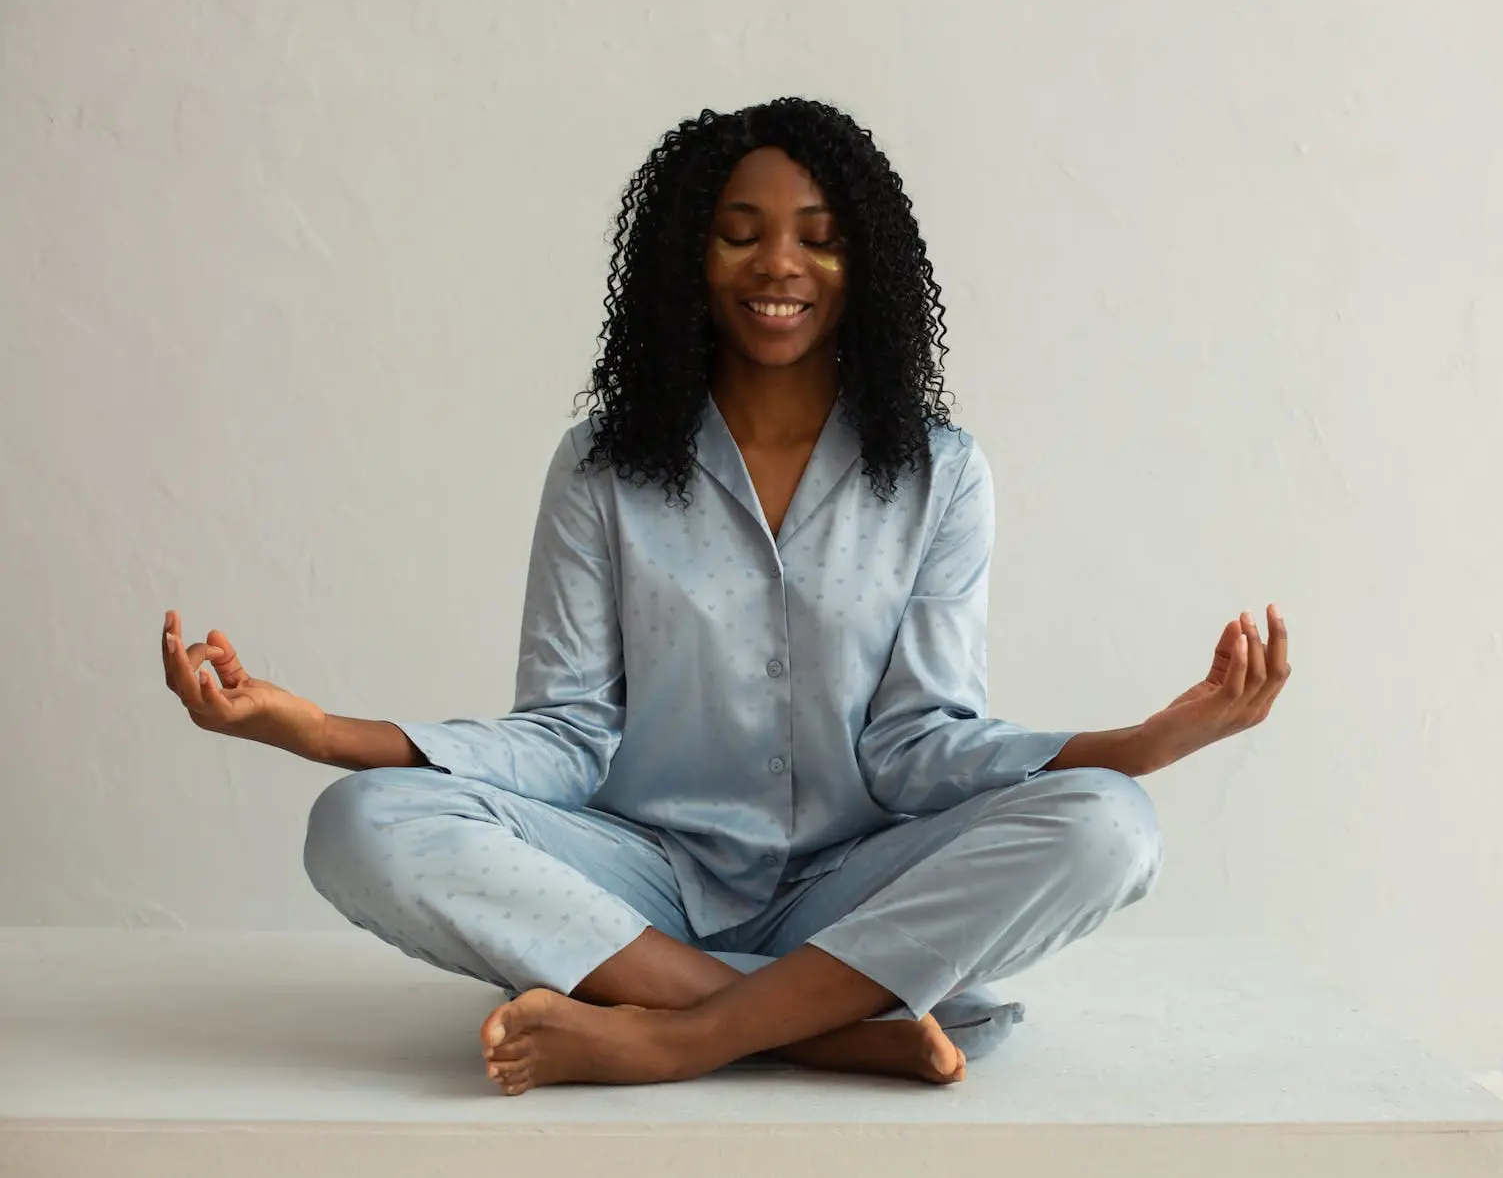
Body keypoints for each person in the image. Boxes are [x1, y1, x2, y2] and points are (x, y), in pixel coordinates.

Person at [158, 96, 1290, 1095]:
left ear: (868, 266)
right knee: (362, 819)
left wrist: (1145, 741)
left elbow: (916, 745)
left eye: (818, 238)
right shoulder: (602, 463)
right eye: (737, 234)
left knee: (1108, 824)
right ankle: (818, 1029)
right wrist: (314, 731)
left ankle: (670, 1037)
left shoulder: (940, 472)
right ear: (686, 262)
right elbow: (563, 735)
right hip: (636, 882)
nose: (777, 266)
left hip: (853, 886)